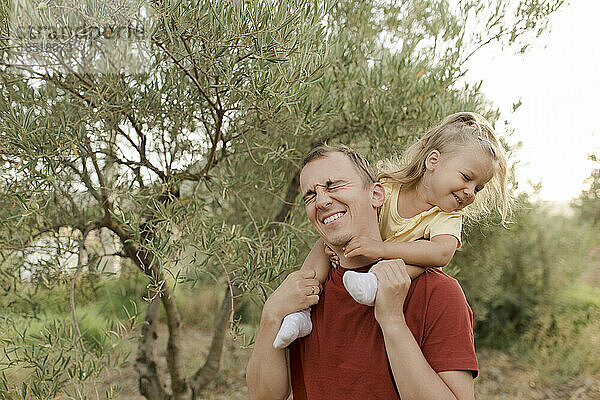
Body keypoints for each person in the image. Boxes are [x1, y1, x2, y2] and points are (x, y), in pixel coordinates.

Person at [246, 143, 479, 399]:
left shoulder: (439, 293)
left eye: (334, 185)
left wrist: (392, 321)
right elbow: (263, 396)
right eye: (311, 195)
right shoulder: (303, 296)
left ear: (377, 195)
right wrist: (271, 315)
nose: (322, 201)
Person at [273, 112, 510, 348]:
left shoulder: (447, 216)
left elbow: (442, 254)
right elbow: (357, 214)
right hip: (364, 254)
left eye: (478, 188)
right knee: (321, 246)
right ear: (433, 160)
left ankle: (374, 286)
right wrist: (338, 246)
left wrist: (381, 249)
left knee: (424, 261)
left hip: (391, 266)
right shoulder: (390, 186)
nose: (470, 192)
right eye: (467, 177)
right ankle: (301, 311)